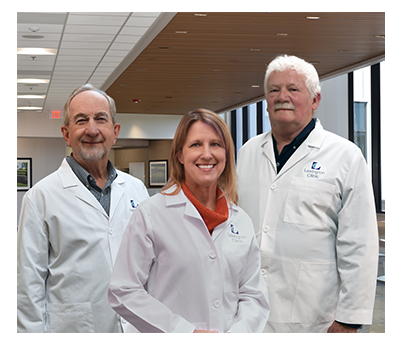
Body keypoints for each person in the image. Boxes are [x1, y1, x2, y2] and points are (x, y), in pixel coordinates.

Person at [237, 55, 378, 333]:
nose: (282, 97)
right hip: (248, 314)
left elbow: (359, 242)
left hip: (314, 318)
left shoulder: (345, 156)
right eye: (274, 90)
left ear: (315, 100)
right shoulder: (248, 152)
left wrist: (349, 318)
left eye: (293, 89)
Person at [108, 108, 269, 333]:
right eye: (196, 145)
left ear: (226, 154)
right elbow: (123, 291)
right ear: (180, 155)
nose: (207, 154)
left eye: (215, 144)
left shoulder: (241, 220)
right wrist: (184, 333)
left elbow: (253, 295)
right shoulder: (151, 214)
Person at [17, 84, 149, 333]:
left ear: (115, 131)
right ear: (66, 133)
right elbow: (28, 288)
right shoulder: (41, 197)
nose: (92, 129)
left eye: (101, 119)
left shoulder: (137, 190)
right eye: (81, 120)